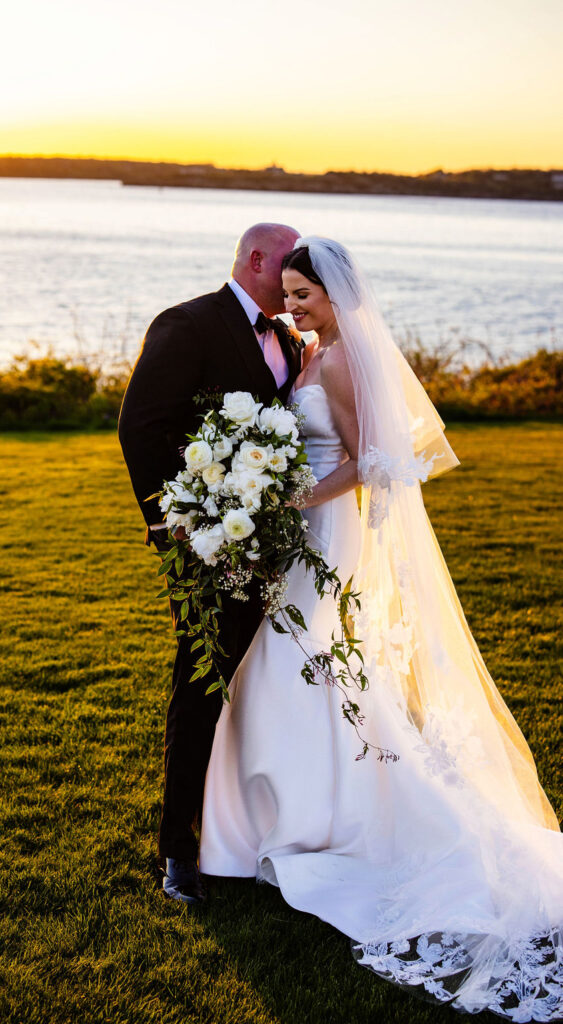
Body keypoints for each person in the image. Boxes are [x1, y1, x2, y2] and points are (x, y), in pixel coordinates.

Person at [199, 237, 563, 1021]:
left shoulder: (332, 364)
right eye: (287, 295)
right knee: (296, 670)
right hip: (306, 534)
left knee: (299, 667)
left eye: (304, 297)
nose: (293, 308)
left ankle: (315, 821)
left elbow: (366, 462)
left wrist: (288, 502)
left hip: (326, 534)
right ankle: (281, 815)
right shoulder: (311, 352)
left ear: (335, 296)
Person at [118, 223, 303, 904]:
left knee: (259, 686)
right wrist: (176, 527)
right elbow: (141, 426)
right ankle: (178, 850)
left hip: (271, 545)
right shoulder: (189, 323)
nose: (298, 273)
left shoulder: (287, 340)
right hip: (201, 545)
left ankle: (249, 832)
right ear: (255, 260)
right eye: (288, 262)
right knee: (199, 685)